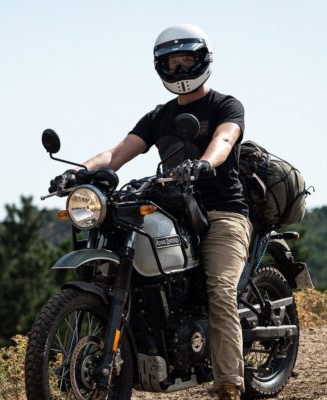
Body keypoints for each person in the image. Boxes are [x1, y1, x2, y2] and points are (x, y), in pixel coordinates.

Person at [49, 24, 251, 400]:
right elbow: (116, 153)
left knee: (220, 291)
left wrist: (204, 163)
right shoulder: (158, 117)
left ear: (203, 60)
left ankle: (229, 384)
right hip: (175, 210)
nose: (180, 71)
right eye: (172, 64)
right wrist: (79, 172)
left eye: (186, 61)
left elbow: (224, 139)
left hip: (222, 214)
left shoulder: (225, 106)